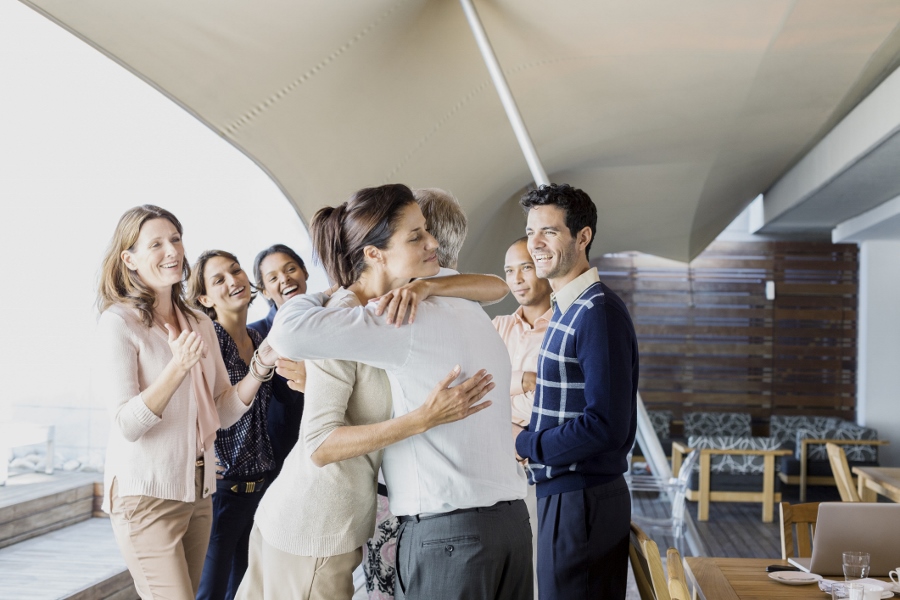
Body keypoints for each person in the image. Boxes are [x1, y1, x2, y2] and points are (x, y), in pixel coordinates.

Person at [268, 184, 533, 600]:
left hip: (450, 535)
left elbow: (287, 333)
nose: (431, 245)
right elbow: (495, 285)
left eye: (425, 231)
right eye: (416, 236)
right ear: (375, 253)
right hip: (513, 527)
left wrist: (334, 291)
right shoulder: (464, 298)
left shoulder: (391, 316)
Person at [94, 205, 276, 600]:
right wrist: (177, 368)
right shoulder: (119, 323)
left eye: (175, 239)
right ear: (130, 259)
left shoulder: (197, 321)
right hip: (146, 498)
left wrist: (259, 369)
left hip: (199, 493)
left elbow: (223, 409)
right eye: (156, 244)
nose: (172, 250)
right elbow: (128, 423)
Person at [513, 183, 639, 600]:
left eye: (548, 232)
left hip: (582, 500)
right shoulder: (569, 307)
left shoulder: (597, 312)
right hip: (565, 495)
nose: (535, 245)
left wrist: (528, 442)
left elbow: (606, 425)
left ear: (582, 237)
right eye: (531, 233)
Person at [187, 250, 276, 600]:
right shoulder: (211, 340)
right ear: (205, 298)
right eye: (219, 279)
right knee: (209, 593)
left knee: (245, 592)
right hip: (222, 492)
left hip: (259, 490)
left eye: (236, 271)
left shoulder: (258, 341)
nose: (233, 280)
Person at [491, 235, 553, 595]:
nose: (516, 279)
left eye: (525, 267)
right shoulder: (496, 327)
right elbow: (476, 388)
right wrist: (521, 382)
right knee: (506, 573)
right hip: (497, 463)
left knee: (540, 570)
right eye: (509, 271)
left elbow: (558, 399)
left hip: (543, 464)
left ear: (543, 267)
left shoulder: (563, 326)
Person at [247, 244, 308, 474]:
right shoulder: (255, 336)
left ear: (305, 272)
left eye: (291, 269)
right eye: (273, 278)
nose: (285, 279)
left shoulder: (331, 318)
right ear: (264, 291)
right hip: (283, 458)